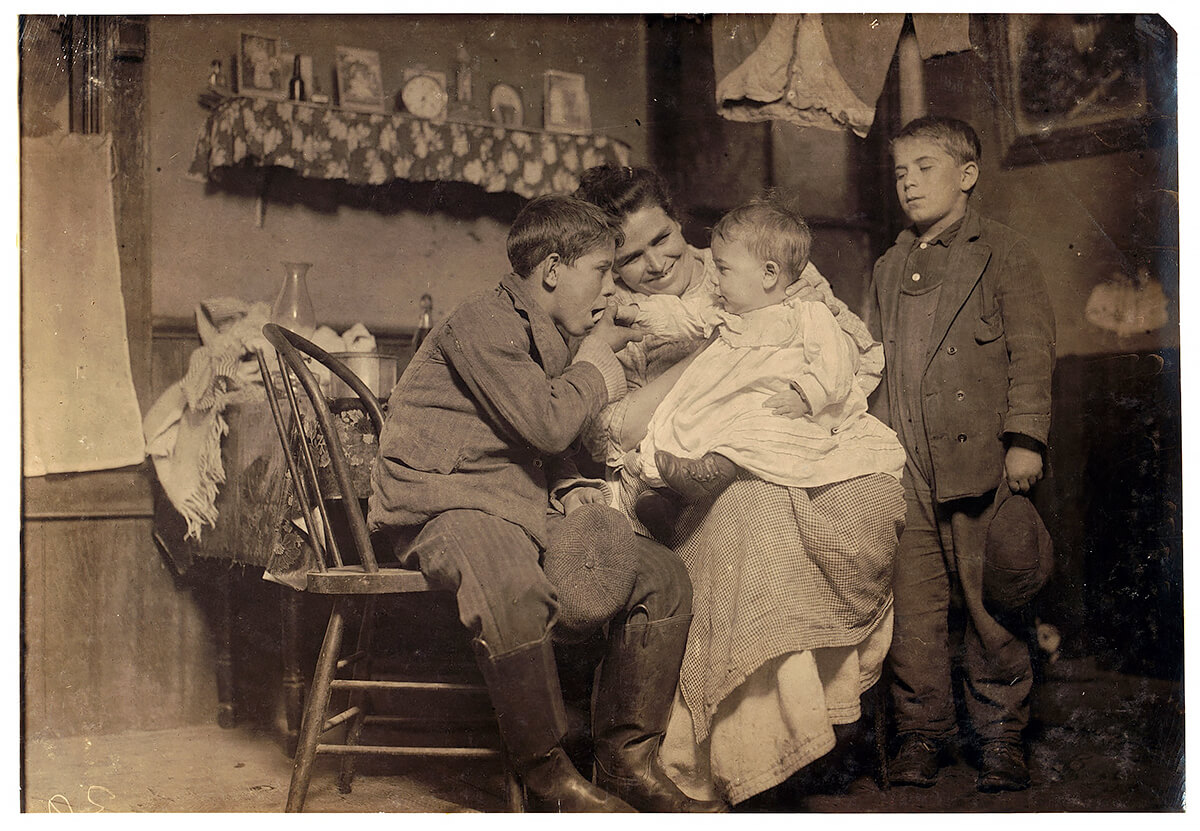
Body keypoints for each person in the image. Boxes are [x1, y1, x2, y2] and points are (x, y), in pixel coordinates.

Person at [367, 194, 724, 813]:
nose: (612, 289)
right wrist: (596, 361)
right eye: (603, 271)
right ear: (553, 269)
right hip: (441, 501)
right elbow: (547, 422)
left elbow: (537, 439)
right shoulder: (481, 322)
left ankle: (626, 761)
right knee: (512, 588)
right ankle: (549, 772)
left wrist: (568, 485)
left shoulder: (550, 331)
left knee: (663, 576)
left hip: (509, 501)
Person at [574, 165, 905, 807]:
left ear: (679, 219)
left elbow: (843, 357)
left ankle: (807, 734)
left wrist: (791, 397)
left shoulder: (751, 255)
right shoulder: (620, 313)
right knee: (752, 518)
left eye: (662, 238)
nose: (653, 263)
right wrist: (715, 350)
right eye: (628, 256)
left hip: (792, 439)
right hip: (677, 468)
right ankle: (743, 757)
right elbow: (611, 428)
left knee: (842, 498)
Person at [868, 116, 1055, 792]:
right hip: (906, 467)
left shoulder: (1002, 252)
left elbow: (1032, 350)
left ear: (967, 175)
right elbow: (871, 366)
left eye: (925, 167)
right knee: (912, 608)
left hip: (982, 463)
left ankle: (1003, 734)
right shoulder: (890, 267)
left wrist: (1026, 438)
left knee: (990, 603)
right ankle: (922, 733)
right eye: (900, 171)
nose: (909, 181)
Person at [613, 200, 905, 541]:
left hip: (772, 404)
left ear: (768, 274)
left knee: (750, 428)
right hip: (723, 400)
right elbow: (681, 319)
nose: (714, 279)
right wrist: (635, 314)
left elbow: (834, 363)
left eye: (723, 270)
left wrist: (806, 395)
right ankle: (662, 494)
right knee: (682, 425)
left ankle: (713, 471)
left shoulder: (807, 313)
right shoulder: (726, 310)